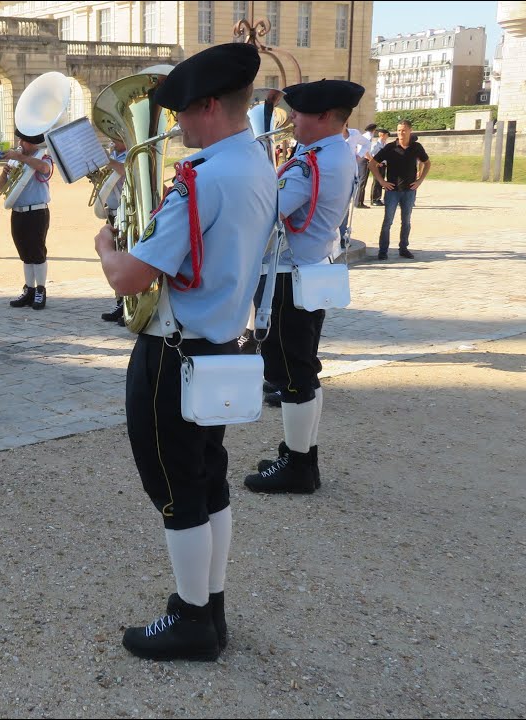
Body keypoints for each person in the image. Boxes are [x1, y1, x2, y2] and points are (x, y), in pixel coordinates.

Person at [92, 42, 275, 662]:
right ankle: (209, 604)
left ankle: (194, 619)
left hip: (174, 352)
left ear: (207, 107)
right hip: (223, 343)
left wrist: (105, 246)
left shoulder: (203, 179)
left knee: (175, 486)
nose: (174, 127)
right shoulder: (256, 161)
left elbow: (130, 279)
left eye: (180, 114)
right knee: (208, 477)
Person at [244, 79, 363, 495]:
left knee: (290, 375)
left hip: (286, 277)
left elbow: (265, 211)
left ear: (326, 117)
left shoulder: (311, 163)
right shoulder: (335, 152)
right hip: (307, 272)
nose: (291, 118)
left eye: (299, 112)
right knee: (303, 371)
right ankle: (302, 455)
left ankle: (298, 466)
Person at [0, 128, 55, 310]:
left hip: (36, 211)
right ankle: (29, 289)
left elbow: (44, 169)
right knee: (25, 253)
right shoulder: (15, 160)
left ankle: (40, 289)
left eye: (23, 141)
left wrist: (20, 158)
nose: (20, 144)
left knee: (37, 252)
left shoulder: (42, 157)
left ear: (31, 142)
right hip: (18, 211)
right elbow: (0, 187)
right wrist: (4, 173)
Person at [370, 119, 430, 260]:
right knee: (387, 221)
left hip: (409, 190)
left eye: (403, 130)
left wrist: (420, 181)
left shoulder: (416, 147)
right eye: (398, 130)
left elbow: (427, 163)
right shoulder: (390, 147)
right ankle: (383, 251)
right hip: (392, 190)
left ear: (410, 130)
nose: (401, 133)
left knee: (406, 221)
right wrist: (381, 181)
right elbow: (372, 164)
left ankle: (404, 248)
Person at [98, 137, 129, 325]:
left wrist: (108, 161)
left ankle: (128, 305)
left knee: (125, 257)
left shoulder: (131, 155)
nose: (112, 141)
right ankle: (120, 302)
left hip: (125, 212)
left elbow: (127, 171)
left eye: (115, 138)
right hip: (112, 212)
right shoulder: (115, 155)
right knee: (116, 256)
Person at [354, 123, 376, 208]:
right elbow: (366, 151)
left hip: (360, 159)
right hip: (364, 160)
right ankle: (359, 202)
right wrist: (371, 160)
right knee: (362, 182)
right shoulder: (369, 137)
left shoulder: (363, 135)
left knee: (360, 181)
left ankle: (358, 201)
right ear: (374, 130)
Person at [368, 128, 390, 206]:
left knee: (381, 181)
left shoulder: (385, 144)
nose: (387, 137)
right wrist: (376, 163)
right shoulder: (376, 144)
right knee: (377, 181)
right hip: (377, 165)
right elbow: (371, 154)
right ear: (382, 135)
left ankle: (378, 198)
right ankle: (374, 199)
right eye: (386, 135)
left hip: (383, 165)